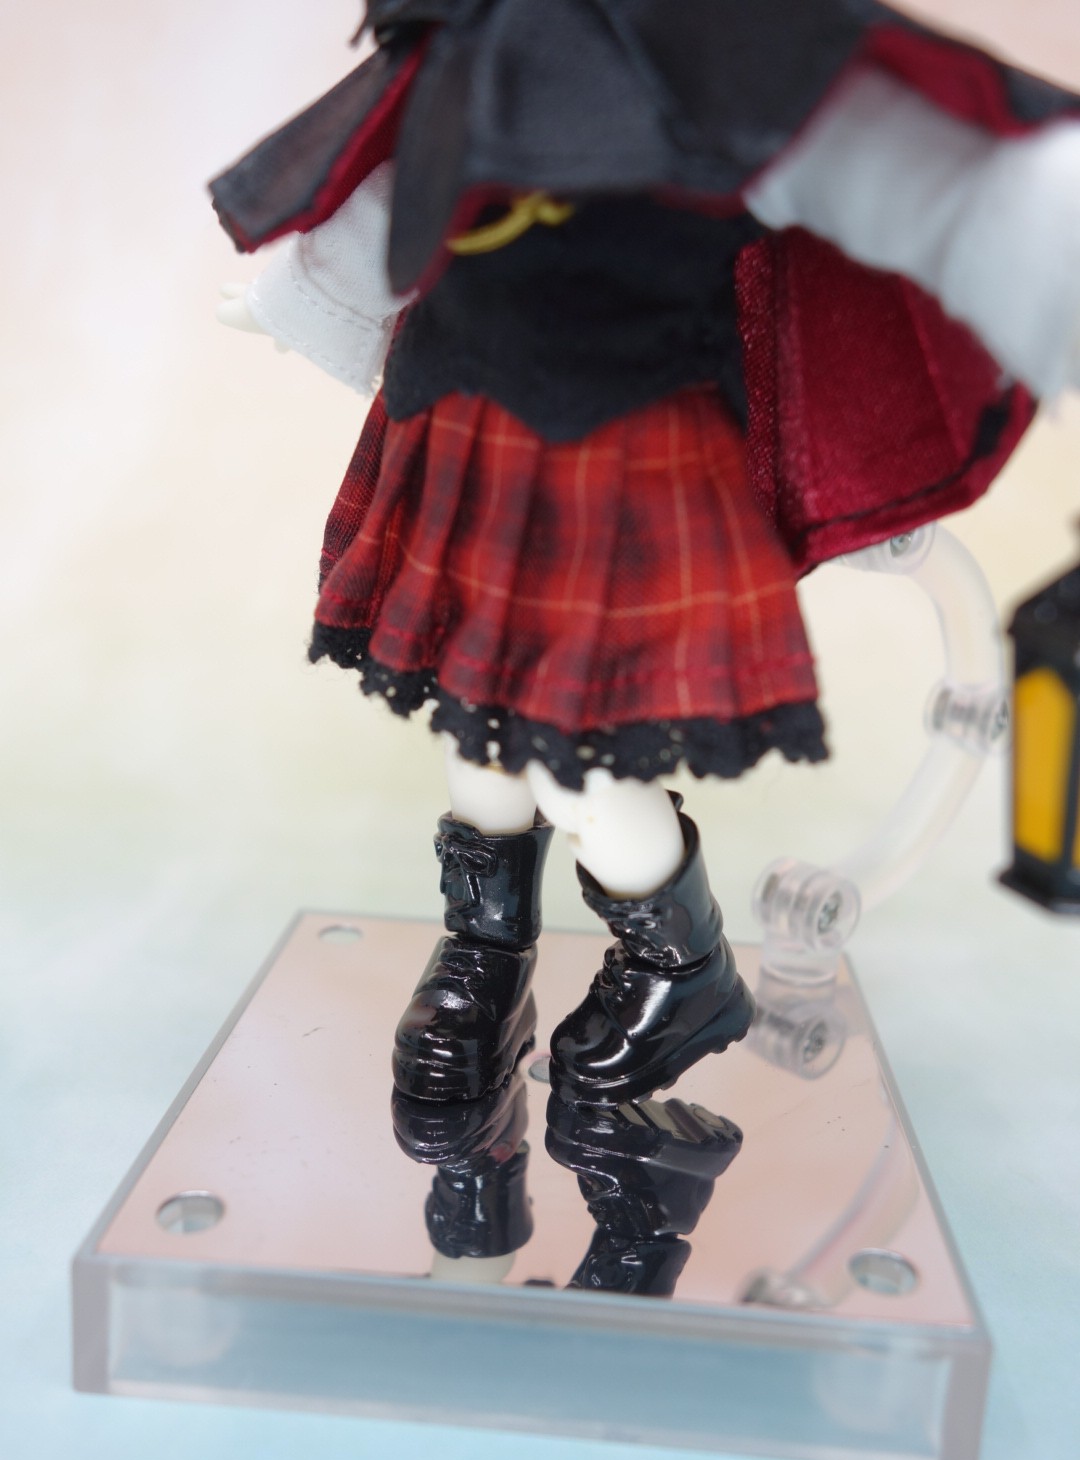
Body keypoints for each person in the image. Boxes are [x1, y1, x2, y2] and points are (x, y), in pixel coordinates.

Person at [212, 0, 1080, 1105]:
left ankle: (682, 965)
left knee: (580, 760)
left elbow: (925, 184)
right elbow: (401, 181)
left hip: (621, 448)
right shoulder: (479, 28)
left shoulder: (730, 54)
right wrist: (298, 297)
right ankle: (484, 949)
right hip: (465, 407)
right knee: (473, 720)